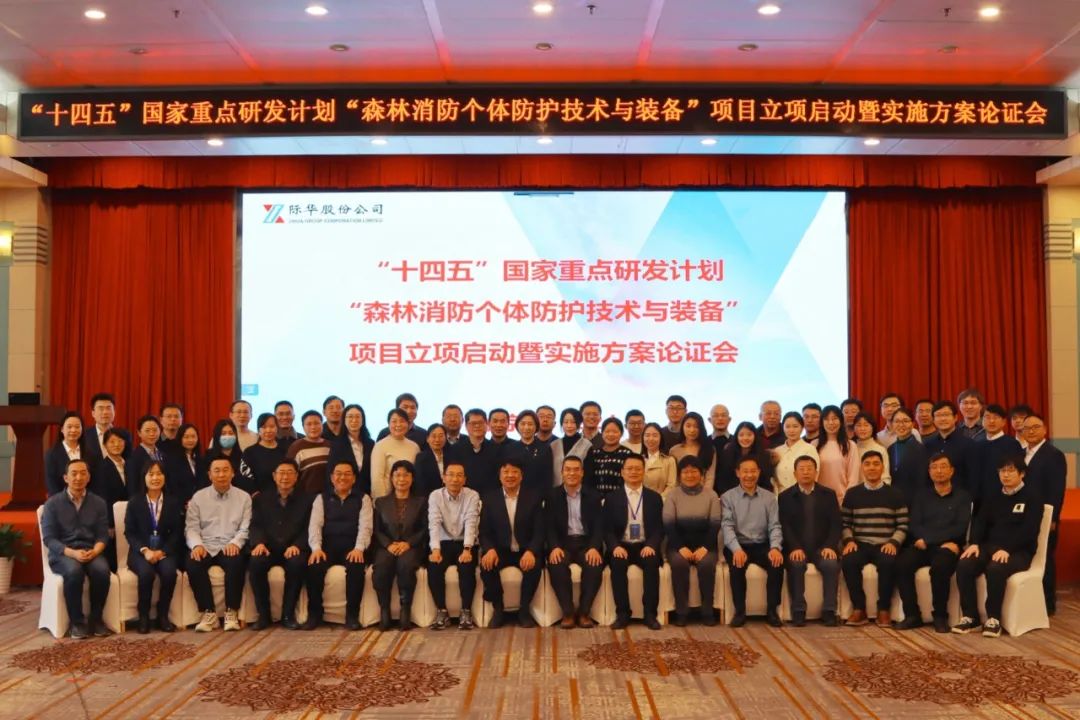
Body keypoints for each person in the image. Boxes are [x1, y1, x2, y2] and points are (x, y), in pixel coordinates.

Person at [953, 456, 1043, 637]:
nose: (1006, 475)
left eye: (1010, 471)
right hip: (990, 547)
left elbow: (1029, 531)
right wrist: (975, 543)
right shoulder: (993, 495)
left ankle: (993, 619)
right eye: (1002, 471)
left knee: (996, 568)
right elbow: (980, 522)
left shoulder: (1032, 497)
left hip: (1019, 551)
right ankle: (971, 616)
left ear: (1022, 474)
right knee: (964, 564)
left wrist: (1007, 548)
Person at [895, 453, 971, 633]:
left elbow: (960, 528)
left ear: (952, 471)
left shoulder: (962, 497)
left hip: (948, 547)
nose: (939, 471)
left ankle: (940, 616)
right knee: (901, 564)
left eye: (943, 467)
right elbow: (915, 524)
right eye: (934, 467)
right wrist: (925, 540)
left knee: (940, 567)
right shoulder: (921, 495)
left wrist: (929, 539)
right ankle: (912, 615)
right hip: (923, 546)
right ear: (929, 472)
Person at [41, 458, 112, 639]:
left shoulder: (98, 503)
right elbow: (49, 538)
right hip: (64, 553)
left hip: (91, 550)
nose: (78, 478)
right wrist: (72, 553)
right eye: (74, 474)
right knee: (74, 571)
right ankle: (77, 622)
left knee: (102, 570)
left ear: (89, 477)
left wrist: (95, 551)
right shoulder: (52, 504)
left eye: (83, 473)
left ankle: (96, 619)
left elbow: (103, 535)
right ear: (66, 478)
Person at [840, 451, 908, 627]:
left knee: (889, 562)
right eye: (867, 464)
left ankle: (883, 610)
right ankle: (859, 609)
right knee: (848, 561)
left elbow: (903, 525)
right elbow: (845, 523)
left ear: (883, 467)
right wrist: (849, 541)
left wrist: (893, 542)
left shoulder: (895, 494)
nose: (872, 468)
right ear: (862, 468)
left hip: (885, 543)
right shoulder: (852, 494)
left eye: (876, 464)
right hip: (860, 543)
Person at [185, 456, 252, 632]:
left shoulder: (244, 497)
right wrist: (197, 545)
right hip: (205, 544)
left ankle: (231, 612)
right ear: (209, 474)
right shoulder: (199, 497)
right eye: (217, 471)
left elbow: (245, 527)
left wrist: (236, 543)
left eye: (225, 470)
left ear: (233, 473)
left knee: (236, 562)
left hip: (229, 544)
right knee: (193, 564)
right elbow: (191, 527)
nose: (221, 474)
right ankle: (209, 613)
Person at [304, 461, 373, 630]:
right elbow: (315, 525)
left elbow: (366, 527)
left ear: (354, 478)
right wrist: (316, 548)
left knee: (356, 567)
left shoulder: (363, 498)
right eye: (338, 473)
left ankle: (352, 616)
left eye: (347, 474)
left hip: (352, 546)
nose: (343, 477)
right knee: (314, 566)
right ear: (332, 477)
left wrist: (359, 548)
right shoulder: (321, 498)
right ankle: (314, 614)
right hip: (327, 546)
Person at [479, 459, 545, 628]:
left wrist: (531, 551)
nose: (510, 476)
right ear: (500, 476)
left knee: (534, 566)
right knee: (487, 565)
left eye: (514, 472)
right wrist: (490, 549)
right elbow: (484, 531)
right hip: (500, 550)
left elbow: (539, 530)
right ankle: (498, 609)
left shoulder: (533, 497)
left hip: (525, 549)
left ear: (521, 476)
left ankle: (524, 610)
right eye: (506, 472)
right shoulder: (490, 498)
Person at [247, 459, 310, 631]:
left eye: (290, 473)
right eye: (281, 473)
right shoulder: (261, 499)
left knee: (297, 564)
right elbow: (255, 524)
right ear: (274, 476)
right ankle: (264, 615)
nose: (285, 477)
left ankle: (288, 615)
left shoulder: (307, 499)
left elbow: (309, 528)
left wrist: (298, 545)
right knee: (256, 562)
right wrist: (259, 543)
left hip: (293, 548)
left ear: (296, 477)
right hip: (268, 547)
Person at [778, 455, 841, 627]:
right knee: (796, 565)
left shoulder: (828, 494)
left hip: (822, 548)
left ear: (816, 472)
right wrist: (794, 547)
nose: (806, 472)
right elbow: (785, 526)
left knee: (831, 564)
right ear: (795, 473)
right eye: (802, 469)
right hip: (797, 548)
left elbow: (836, 524)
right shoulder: (785, 497)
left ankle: (829, 610)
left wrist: (830, 546)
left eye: (809, 469)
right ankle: (798, 610)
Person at [721, 455, 784, 626]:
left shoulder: (769, 498)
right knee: (737, 566)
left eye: (753, 471)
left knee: (776, 563)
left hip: (762, 544)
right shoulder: (728, 497)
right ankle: (740, 612)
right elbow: (727, 526)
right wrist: (736, 549)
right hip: (738, 545)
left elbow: (775, 526)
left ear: (759, 472)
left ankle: (772, 611)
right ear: (738, 473)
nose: (749, 475)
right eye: (745, 471)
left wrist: (775, 547)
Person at [604, 454, 663, 630]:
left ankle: (650, 614)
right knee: (617, 563)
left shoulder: (654, 498)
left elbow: (660, 527)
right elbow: (606, 528)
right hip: (622, 545)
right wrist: (614, 546)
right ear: (622, 472)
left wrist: (651, 545)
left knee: (652, 562)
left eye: (638, 468)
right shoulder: (612, 498)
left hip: (645, 545)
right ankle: (623, 614)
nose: (633, 472)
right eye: (629, 469)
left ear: (644, 472)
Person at [124, 460, 183, 633]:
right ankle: (143, 616)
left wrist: (162, 551)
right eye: (151, 474)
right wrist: (145, 550)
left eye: (159, 474)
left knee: (169, 573)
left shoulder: (173, 502)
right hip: (140, 552)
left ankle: (162, 616)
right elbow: (130, 532)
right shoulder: (135, 502)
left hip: (165, 551)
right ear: (144, 477)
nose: (155, 478)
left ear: (165, 477)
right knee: (146, 573)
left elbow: (177, 532)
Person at [546, 455, 604, 629]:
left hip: (586, 543)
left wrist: (594, 547)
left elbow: (599, 526)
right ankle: (568, 613)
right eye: (568, 470)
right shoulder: (552, 495)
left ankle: (584, 613)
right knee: (556, 564)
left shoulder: (593, 496)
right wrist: (554, 547)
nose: (572, 473)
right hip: (562, 544)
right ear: (562, 472)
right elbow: (548, 526)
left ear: (582, 473)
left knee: (594, 565)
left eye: (576, 470)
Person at [664, 456, 722, 626]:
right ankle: (681, 612)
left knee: (707, 565)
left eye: (694, 471)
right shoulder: (672, 495)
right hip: (678, 545)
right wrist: (680, 547)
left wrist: (705, 547)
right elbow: (668, 524)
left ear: (702, 474)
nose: (690, 475)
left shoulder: (711, 495)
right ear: (680, 475)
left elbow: (715, 524)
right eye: (685, 472)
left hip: (705, 545)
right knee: (679, 564)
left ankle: (707, 611)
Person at [372, 460, 428, 630]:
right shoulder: (381, 502)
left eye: (406, 475)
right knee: (381, 567)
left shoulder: (421, 502)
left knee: (406, 565)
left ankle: (405, 609)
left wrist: (408, 543)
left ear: (412, 478)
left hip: (412, 547)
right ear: (391, 478)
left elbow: (425, 528)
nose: (401, 479)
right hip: (387, 546)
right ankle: (384, 610)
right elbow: (376, 529)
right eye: (397, 475)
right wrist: (388, 544)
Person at [427, 460, 480, 631]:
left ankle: (466, 611)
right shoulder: (435, 496)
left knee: (466, 567)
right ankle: (442, 611)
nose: (455, 479)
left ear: (464, 479)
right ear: (444, 478)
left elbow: (471, 521)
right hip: (443, 542)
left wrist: (467, 549)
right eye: (450, 475)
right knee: (434, 566)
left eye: (459, 475)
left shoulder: (472, 495)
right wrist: (435, 549)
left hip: (465, 542)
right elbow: (434, 523)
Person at [1022, 413, 1066, 615]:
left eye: (1035, 427)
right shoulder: (1021, 453)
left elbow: (1057, 490)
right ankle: (1030, 601)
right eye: (1027, 428)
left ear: (1045, 430)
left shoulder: (1053, 455)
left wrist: (1053, 518)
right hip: (1024, 515)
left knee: (1044, 559)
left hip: (1045, 517)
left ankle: (1048, 604)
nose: (1031, 431)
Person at [970, 404, 1023, 511]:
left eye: (996, 417)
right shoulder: (977, 445)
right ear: (982, 421)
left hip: (1004, 499)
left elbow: (1017, 473)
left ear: (1004, 422)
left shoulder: (1012, 444)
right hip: (980, 501)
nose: (991, 421)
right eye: (987, 417)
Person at [91, 428, 129, 571]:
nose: (116, 445)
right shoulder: (101, 467)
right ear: (105, 445)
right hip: (112, 519)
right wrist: (110, 523)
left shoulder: (128, 464)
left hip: (129, 515)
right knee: (114, 553)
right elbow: (102, 498)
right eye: (112, 442)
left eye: (120, 441)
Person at [923, 401, 973, 493]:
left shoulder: (969, 444)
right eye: (938, 415)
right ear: (933, 420)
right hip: (933, 496)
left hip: (960, 497)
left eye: (946, 415)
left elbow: (972, 477)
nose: (942, 419)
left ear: (955, 418)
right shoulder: (927, 445)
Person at [371, 408, 422, 499]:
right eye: (394, 421)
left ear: (408, 424)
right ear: (389, 424)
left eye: (402, 421)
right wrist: (382, 502)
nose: (398, 425)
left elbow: (416, 475)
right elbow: (377, 479)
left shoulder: (414, 447)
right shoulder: (380, 446)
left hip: (409, 499)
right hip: (386, 499)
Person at [449, 408, 501, 496]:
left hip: (490, 497)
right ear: (466, 426)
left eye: (480, 423)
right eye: (473, 423)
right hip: (463, 498)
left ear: (487, 424)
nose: (477, 426)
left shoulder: (497, 449)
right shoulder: (455, 449)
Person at [815, 405, 860, 505]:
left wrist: (847, 499)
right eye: (826, 419)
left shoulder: (850, 445)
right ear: (822, 422)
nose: (831, 423)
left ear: (841, 421)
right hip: (818, 500)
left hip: (843, 500)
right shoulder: (814, 445)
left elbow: (853, 477)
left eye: (834, 418)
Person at [326, 403, 374, 496]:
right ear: (344, 420)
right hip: (345, 494)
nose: (354, 420)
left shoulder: (370, 444)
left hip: (367, 494)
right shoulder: (337, 444)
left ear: (363, 420)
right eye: (350, 417)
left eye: (358, 417)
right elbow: (331, 472)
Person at [887, 407, 930, 505]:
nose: (901, 425)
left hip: (913, 500)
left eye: (905, 421)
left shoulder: (920, 449)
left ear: (913, 424)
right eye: (897, 421)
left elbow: (922, 481)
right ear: (892, 424)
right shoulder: (890, 449)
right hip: (893, 499)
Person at [718, 421, 773, 496]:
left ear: (755, 436)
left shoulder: (764, 455)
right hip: (732, 496)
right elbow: (722, 479)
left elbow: (766, 481)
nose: (745, 438)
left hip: (757, 496)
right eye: (741, 435)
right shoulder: (727, 454)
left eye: (749, 435)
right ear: (736, 437)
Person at [584, 417, 633, 498]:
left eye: (615, 432)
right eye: (607, 431)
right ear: (602, 433)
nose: (610, 434)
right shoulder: (594, 453)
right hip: (596, 500)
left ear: (621, 433)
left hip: (619, 500)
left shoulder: (627, 454)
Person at [286, 410, 332, 495]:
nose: (313, 427)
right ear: (303, 427)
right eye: (309, 424)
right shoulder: (296, 447)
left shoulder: (329, 446)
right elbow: (289, 474)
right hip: (305, 496)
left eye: (316, 423)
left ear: (322, 425)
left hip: (329, 495)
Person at [771, 412, 819, 492]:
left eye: (795, 426)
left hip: (802, 496)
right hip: (779, 496)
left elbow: (814, 478)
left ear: (802, 428)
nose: (791, 430)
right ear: (783, 428)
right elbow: (773, 478)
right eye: (787, 427)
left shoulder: (809, 449)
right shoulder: (777, 451)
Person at [668, 411, 717, 489]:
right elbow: (674, 478)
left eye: (696, 426)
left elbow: (710, 477)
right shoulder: (674, 450)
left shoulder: (709, 449)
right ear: (682, 427)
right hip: (680, 492)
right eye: (688, 426)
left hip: (703, 492)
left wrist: (705, 494)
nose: (692, 430)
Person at [45, 411, 89, 497]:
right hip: (61, 500)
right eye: (69, 427)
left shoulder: (90, 453)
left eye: (77, 427)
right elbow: (52, 485)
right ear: (62, 429)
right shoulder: (52, 455)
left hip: (87, 500)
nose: (73, 430)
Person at [243, 413, 286, 496]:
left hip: (283, 497)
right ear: (258, 430)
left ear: (277, 428)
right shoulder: (249, 452)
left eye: (272, 426)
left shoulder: (285, 450)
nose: (268, 430)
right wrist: (255, 494)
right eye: (264, 427)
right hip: (259, 498)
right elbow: (244, 476)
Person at [84, 392, 131, 467]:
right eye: (101, 408)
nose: (105, 412)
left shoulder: (125, 435)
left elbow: (129, 460)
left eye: (108, 408)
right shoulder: (84, 435)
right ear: (93, 413)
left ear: (114, 412)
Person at [203, 418, 250, 492]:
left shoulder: (242, 456)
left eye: (231, 433)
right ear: (217, 436)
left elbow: (246, 479)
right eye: (223, 433)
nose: (227, 436)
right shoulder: (209, 456)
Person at [550, 408, 593, 487]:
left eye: (573, 422)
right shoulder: (554, 445)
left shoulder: (587, 445)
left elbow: (589, 474)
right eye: (566, 422)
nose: (569, 426)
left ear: (579, 424)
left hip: (579, 491)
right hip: (556, 491)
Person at [127, 416, 168, 498]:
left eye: (155, 430)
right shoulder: (133, 457)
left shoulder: (163, 455)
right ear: (139, 433)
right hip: (144, 500)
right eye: (147, 431)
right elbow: (133, 485)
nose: (152, 434)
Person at [516, 409, 554, 493]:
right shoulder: (511, 448)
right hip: (516, 494)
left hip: (539, 495)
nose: (526, 427)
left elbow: (548, 477)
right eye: (523, 424)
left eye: (530, 424)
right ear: (517, 426)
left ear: (536, 426)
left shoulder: (545, 448)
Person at [852, 412, 892, 484]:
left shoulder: (880, 449)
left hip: (876, 490)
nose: (862, 429)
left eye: (866, 425)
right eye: (859, 425)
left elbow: (885, 478)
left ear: (873, 427)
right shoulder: (850, 448)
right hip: (853, 489)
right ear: (854, 428)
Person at [168, 423, 201, 505]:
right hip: (182, 505)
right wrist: (185, 502)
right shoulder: (172, 459)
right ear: (180, 438)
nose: (190, 440)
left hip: (200, 503)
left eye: (193, 436)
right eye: (186, 437)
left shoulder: (200, 458)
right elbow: (173, 486)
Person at [641, 422, 676, 498]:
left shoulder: (669, 460)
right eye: (647, 435)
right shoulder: (638, 460)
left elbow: (671, 486)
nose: (651, 439)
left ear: (661, 438)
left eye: (655, 435)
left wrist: (658, 500)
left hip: (662, 501)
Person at [415, 423, 449, 496]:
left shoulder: (451, 455)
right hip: (429, 497)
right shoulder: (421, 458)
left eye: (441, 436)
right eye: (434, 436)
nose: (437, 439)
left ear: (446, 438)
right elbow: (420, 483)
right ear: (427, 439)